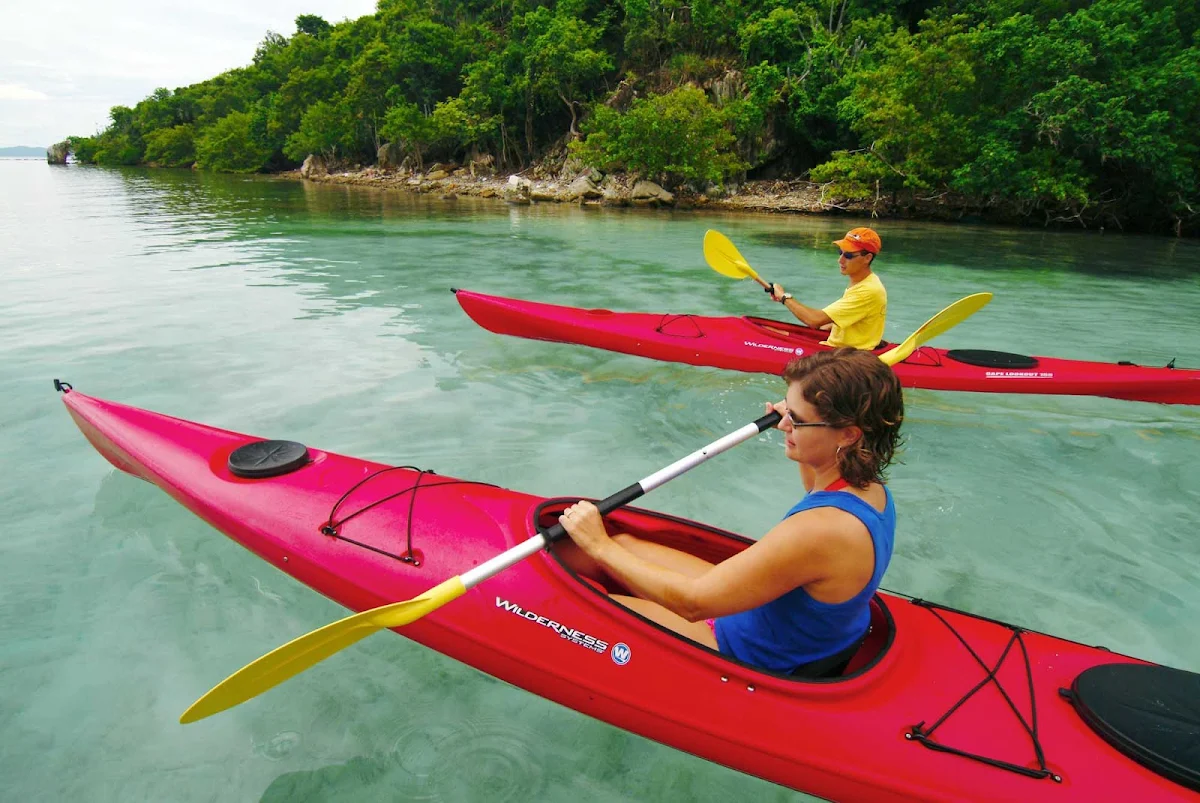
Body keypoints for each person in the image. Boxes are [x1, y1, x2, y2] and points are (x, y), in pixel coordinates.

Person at [558, 348, 903, 676]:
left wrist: (598, 545)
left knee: (581, 602)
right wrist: (799, 419)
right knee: (621, 544)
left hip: (741, 646)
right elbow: (814, 481)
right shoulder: (869, 489)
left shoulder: (823, 530)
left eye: (796, 421)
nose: (783, 426)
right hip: (759, 620)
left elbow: (693, 605)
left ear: (848, 433)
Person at [769, 227, 887, 351]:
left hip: (848, 358)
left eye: (848, 255)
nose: (840, 260)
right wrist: (833, 324)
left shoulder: (867, 291)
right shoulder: (865, 282)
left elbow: (814, 320)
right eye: (840, 252)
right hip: (846, 349)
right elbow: (859, 318)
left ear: (867, 258)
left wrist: (784, 297)